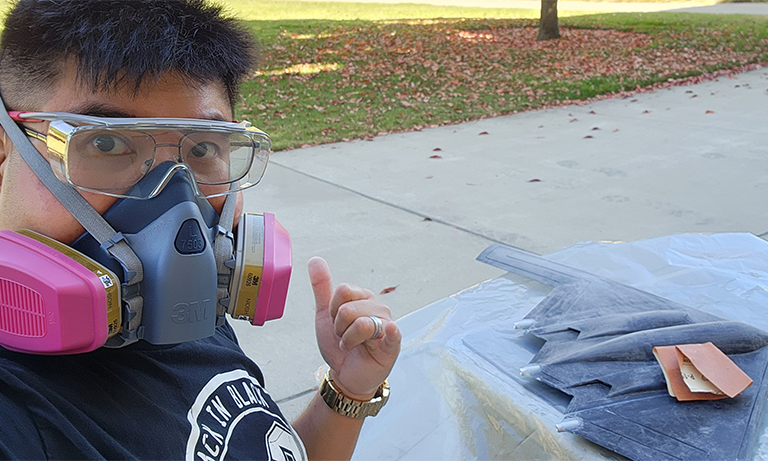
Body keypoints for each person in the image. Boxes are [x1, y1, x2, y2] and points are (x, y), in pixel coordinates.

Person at [0, 0, 401, 460]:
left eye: (204, 146)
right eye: (106, 142)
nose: (176, 212)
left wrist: (346, 393)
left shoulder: (181, 310)